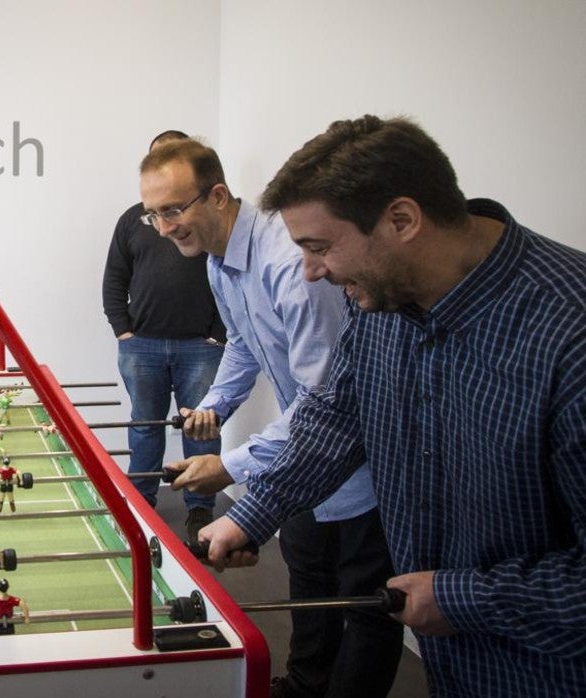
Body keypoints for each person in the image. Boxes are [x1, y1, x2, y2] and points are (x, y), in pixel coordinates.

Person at [200, 115, 586, 696]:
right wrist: (255, 513)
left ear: (402, 220)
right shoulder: (378, 298)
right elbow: (337, 414)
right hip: (451, 667)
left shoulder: (568, 330)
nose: (311, 272)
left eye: (320, 247)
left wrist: (463, 598)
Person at [144, 138, 401, 698]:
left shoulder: (290, 267)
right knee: (307, 584)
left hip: (359, 473)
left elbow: (325, 403)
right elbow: (242, 343)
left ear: (215, 196)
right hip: (299, 463)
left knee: (365, 608)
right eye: (153, 213)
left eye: (172, 210)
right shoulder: (218, 262)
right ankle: (306, 686)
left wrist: (232, 466)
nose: (163, 228)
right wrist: (216, 405)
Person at [103, 129, 227, 537]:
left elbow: (228, 278)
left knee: (202, 426)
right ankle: (140, 505)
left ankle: (199, 507)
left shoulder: (206, 222)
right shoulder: (132, 220)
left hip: (200, 347)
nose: (164, 224)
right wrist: (124, 331)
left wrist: (217, 334)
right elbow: (114, 278)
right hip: (143, 346)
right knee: (144, 425)